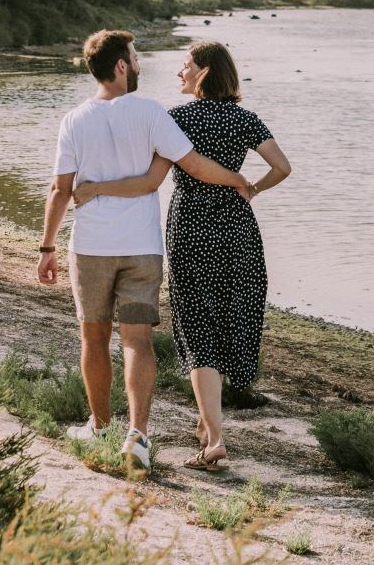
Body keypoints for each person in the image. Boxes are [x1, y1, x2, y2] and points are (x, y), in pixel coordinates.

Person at [36, 29, 253, 471]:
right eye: (135, 57)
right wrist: (237, 180)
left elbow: (60, 190)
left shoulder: (75, 119)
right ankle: (137, 435)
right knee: (137, 341)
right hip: (142, 250)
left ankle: (100, 427)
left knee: (93, 337)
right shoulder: (152, 113)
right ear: (120, 66)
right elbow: (192, 165)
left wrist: (47, 246)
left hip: (91, 248)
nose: (139, 64)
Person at [74, 40, 291, 470]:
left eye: (186, 66)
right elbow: (282, 167)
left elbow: (152, 179)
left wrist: (98, 187)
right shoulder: (246, 120)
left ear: (204, 73)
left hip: (191, 229)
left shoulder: (178, 119)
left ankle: (214, 436)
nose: (179, 73)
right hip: (237, 230)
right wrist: (249, 190)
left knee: (196, 329)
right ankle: (208, 425)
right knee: (230, 316)